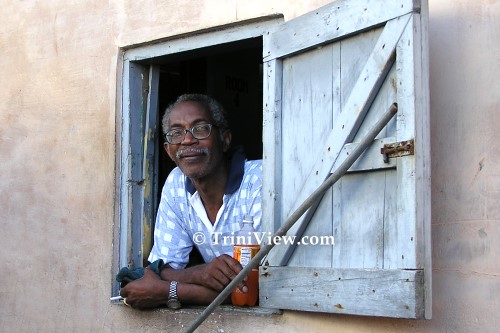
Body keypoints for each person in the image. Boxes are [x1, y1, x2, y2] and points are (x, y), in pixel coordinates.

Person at [119, 94, 262, 309]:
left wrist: (170, 291)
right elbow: (161, 269)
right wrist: (201, 273)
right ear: (168, 150)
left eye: (201, 128)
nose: (187, 140)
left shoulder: (259, 180)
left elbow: (255, 287)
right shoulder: (176, 182)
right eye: (176, 133)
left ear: (225, 139)